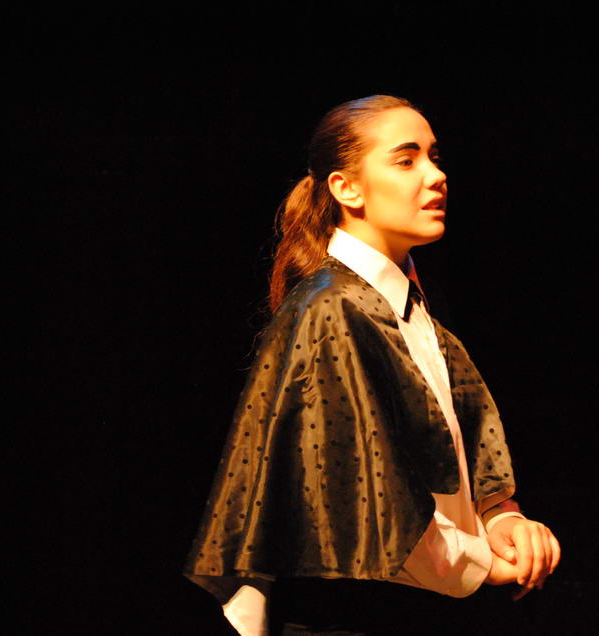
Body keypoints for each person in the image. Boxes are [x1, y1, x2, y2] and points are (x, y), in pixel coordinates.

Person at [184, 95, 561, 635]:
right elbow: (366, 503)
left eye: (433, 156)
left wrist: (503, 518)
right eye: (406, 160)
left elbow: (459, 450)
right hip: (355, 616)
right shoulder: (333, 308)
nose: (436, 176)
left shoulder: (409, 304)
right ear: (347, 188)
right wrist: (485, 565)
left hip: (418, 609)